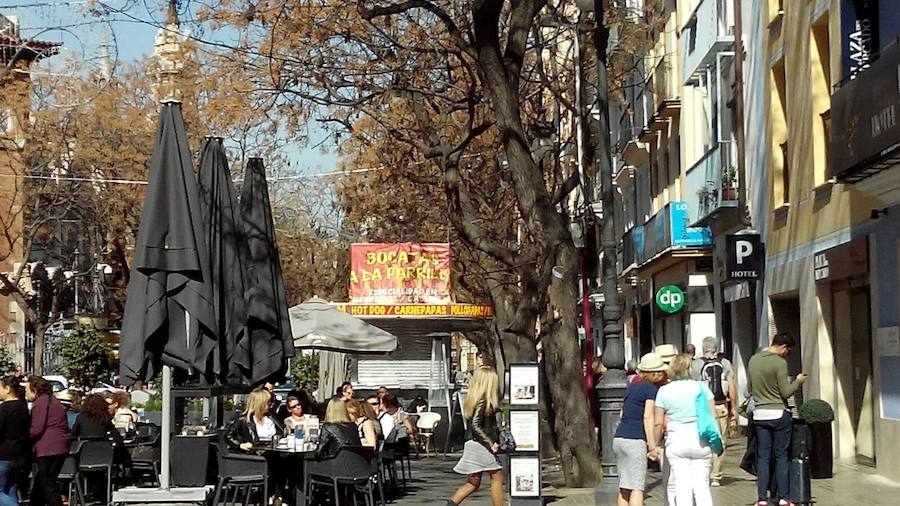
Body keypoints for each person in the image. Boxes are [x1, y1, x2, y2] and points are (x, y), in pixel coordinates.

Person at [748, 333, 807, 506]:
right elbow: (785, 392)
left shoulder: (753, 360)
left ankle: (761, 498)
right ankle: (783, 498)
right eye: (787, 350)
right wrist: (797, 381)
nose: (787, 353)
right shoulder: (780, 363)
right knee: (781, 456)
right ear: (783, 347)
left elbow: (750, 388)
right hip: (778, 414)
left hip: (759, 415)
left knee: (763, 457)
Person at [650, 354, 716, 506]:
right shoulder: (701, 387)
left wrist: (654, 445)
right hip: (701, 440)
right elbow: (713, 416)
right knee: (702, 487)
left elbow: (658, 423)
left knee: (682, 486)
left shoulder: (664, 391)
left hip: (676, 442)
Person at [613, 353, 667, 506]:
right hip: (635, 441)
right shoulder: (651, 389)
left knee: (624, 487)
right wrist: (652, 446)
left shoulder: (632, 386)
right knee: (637, 487)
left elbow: (623, 412)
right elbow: (648, 416)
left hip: (620, 438)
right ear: (656, 373)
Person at [448, 366, 503, 506]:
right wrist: (491, 443)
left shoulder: (475, 399)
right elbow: (476, 425)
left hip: (473, 443)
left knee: (473, 483)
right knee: (496, 477)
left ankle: (450, 504)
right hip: (481, 445)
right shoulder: (483, 401)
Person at [696, 336, 737, 487]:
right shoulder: (725, 363)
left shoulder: (697, 364)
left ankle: (704, 473)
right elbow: (731, 387)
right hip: (720, 407)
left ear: (703, 347)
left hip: (703, 408)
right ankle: (716, 475)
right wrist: (733, 407)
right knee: (719, 441)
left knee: (703, 439)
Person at [25, 376, 70, 506]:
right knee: (41, 484)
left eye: (28, 389)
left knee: (48, 485)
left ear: (35, 390)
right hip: (59, 446)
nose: (26, 393)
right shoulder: (53, 401)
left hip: (49, 448)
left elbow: (36, 428)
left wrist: (24, 437)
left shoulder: (41, 402)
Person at [0, 375, 30, 506]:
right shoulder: (23, 408)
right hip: (19, 454)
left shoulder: (4, 409)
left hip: (4, 454)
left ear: (7, 388)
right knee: (11, 489)